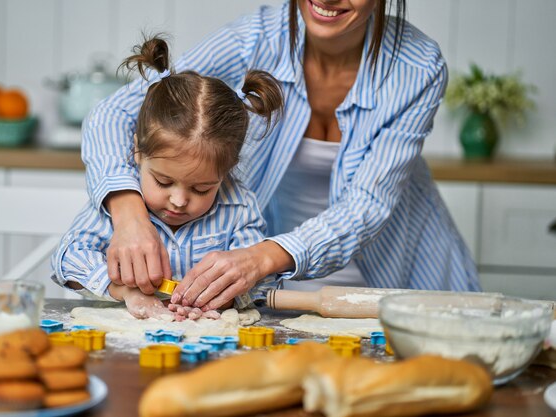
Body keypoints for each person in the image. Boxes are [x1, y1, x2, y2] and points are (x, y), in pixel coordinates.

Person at [81, 0, 482, 312]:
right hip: (273, 286)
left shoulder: (418, 66)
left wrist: (260, 258)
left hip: (395, 274)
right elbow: (113, 113)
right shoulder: (252, 39)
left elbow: (366, 206)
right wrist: (129, 215)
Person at [51, 36, 283, 320]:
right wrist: (124, 290)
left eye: (201, 188)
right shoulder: (117, 204)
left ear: (227, 171)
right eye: (163, 182)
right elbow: (67, 259)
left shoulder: (239, 207)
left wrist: (226, 297)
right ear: (137, 151)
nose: (179, 200)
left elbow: (263, 281)